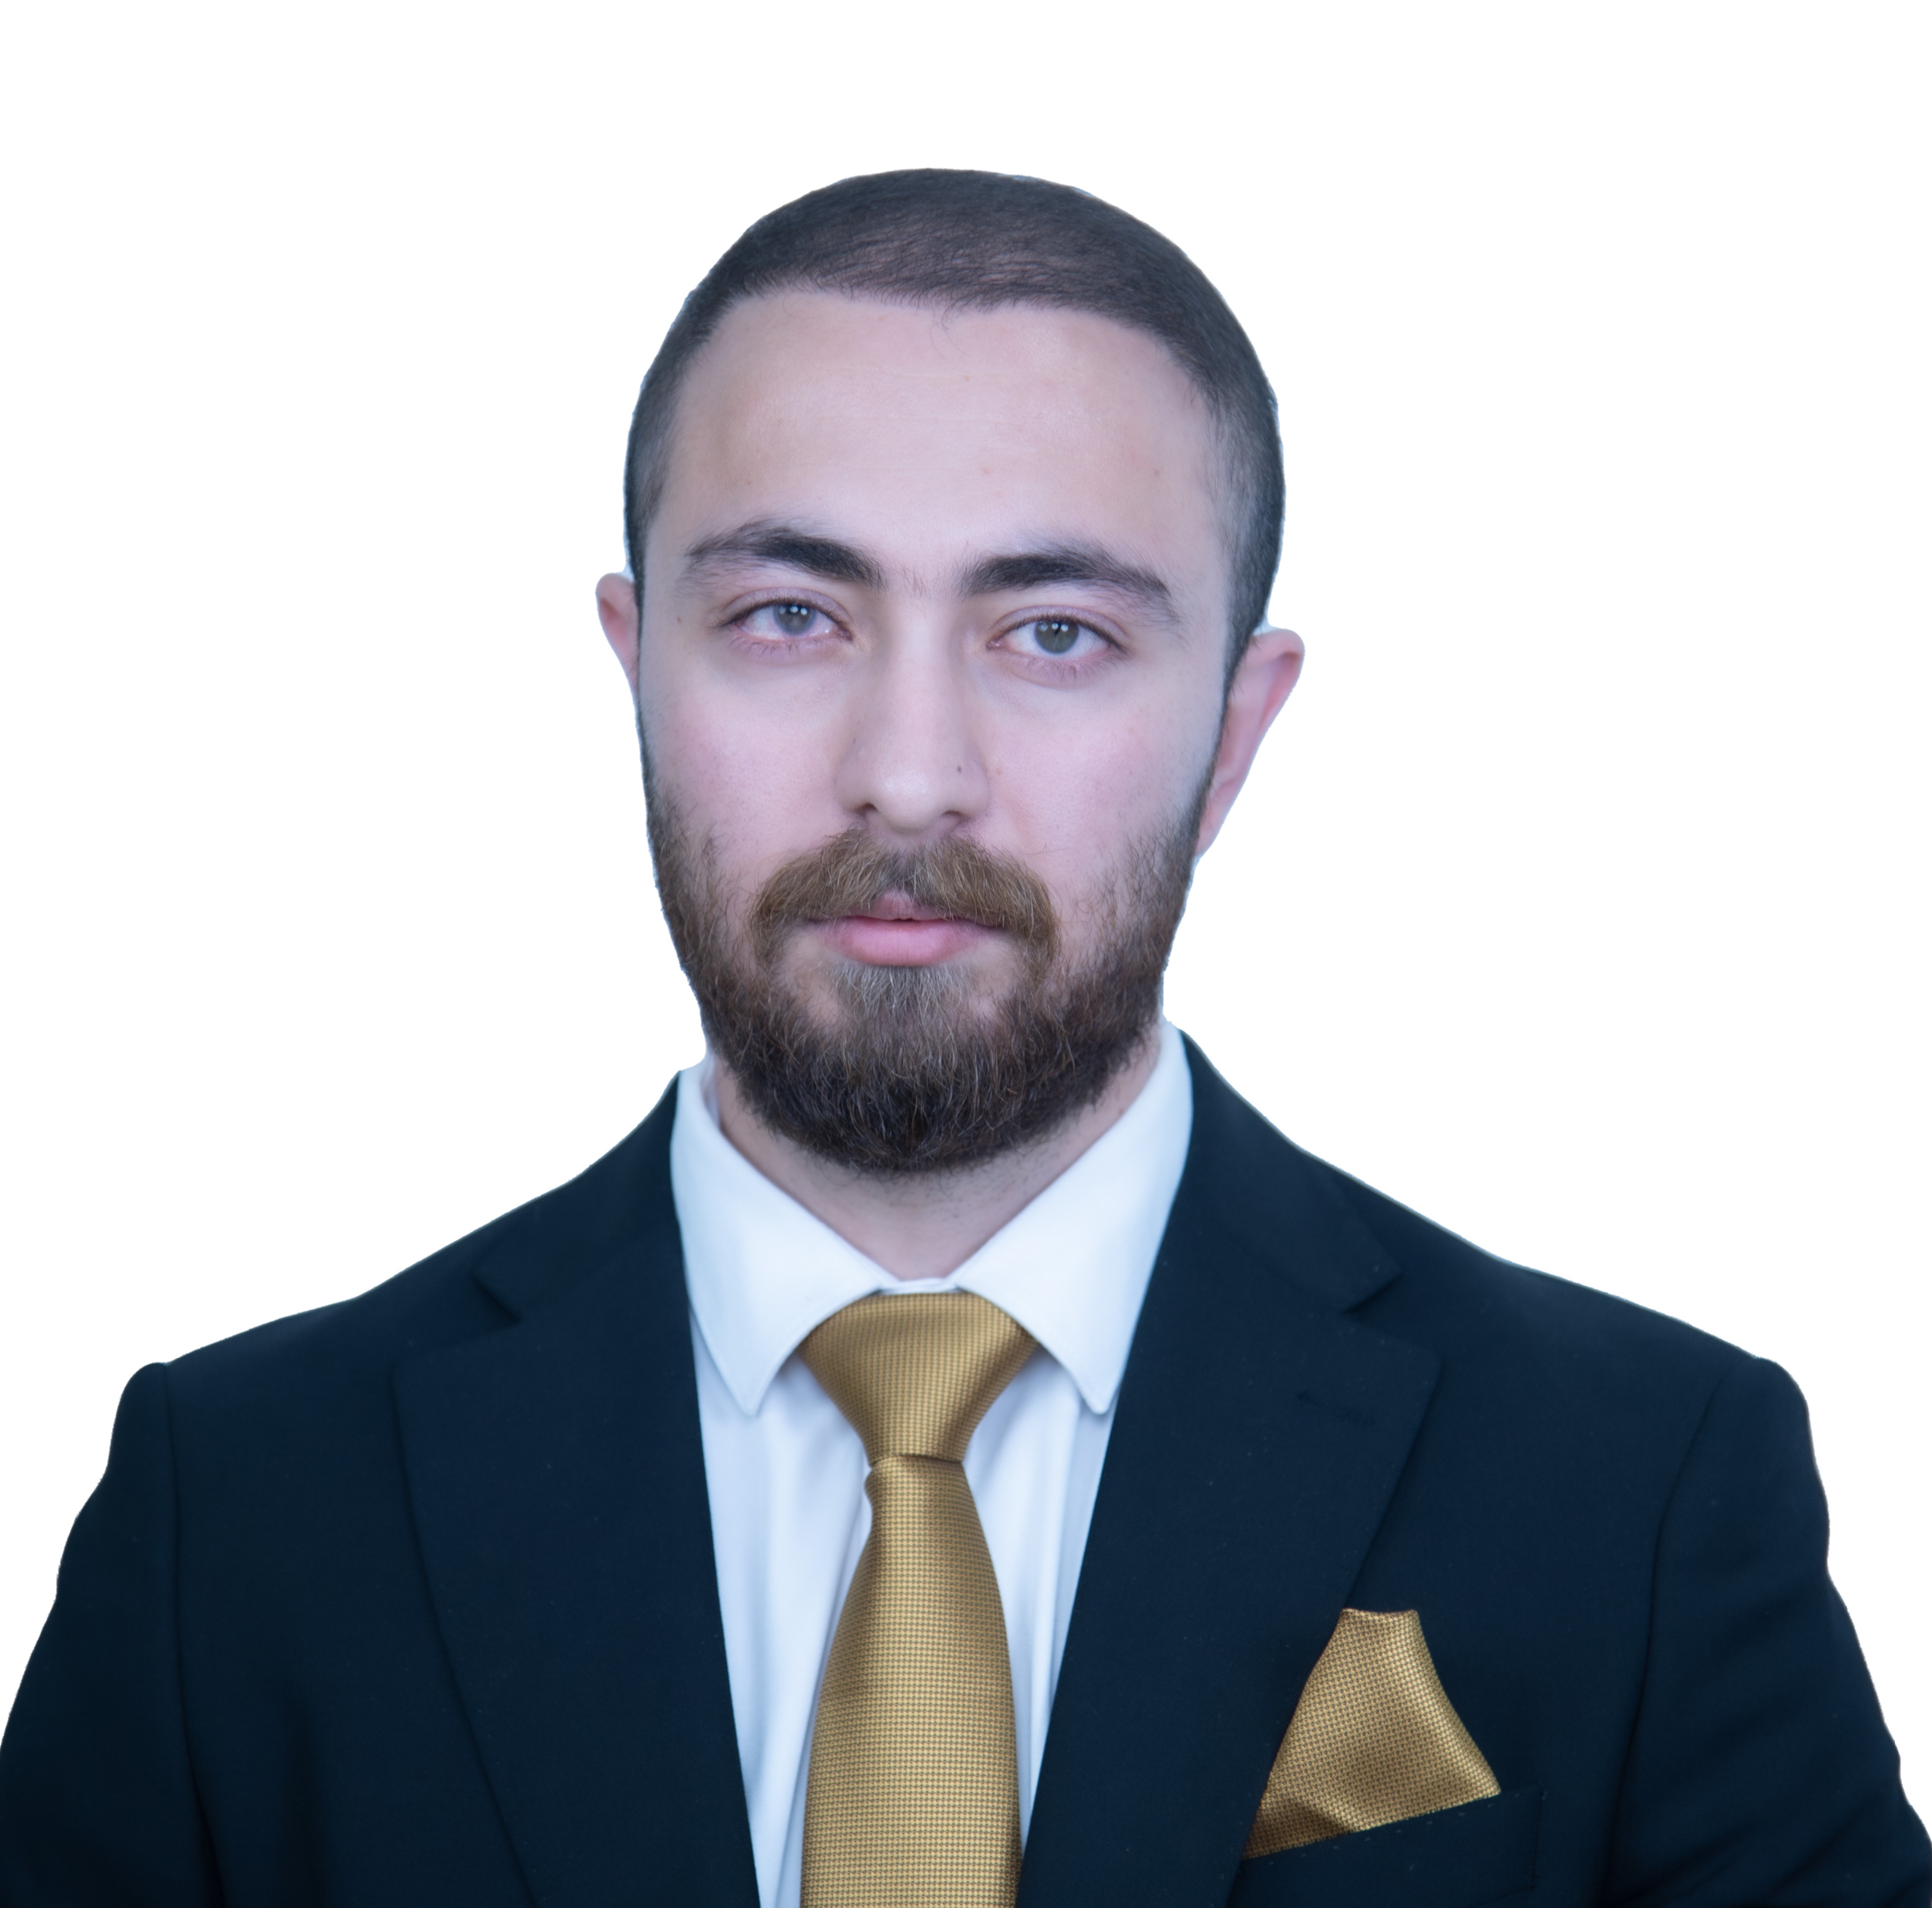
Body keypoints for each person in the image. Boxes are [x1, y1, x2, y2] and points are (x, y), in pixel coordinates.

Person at [0, 169, 1923, 1908]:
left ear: (1235, 732)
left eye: (1055, 633)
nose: (908, 774)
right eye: (787, 615)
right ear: (637, 669)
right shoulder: (236, 1513)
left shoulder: (1637, 1487)